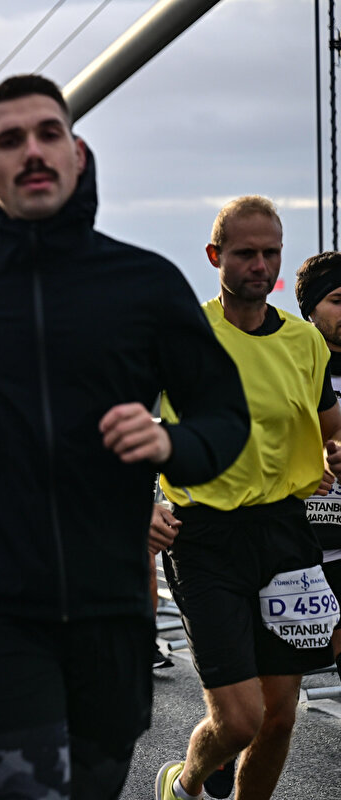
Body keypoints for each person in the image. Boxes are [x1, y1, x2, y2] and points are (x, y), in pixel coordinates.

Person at [0, 76, 251, 800]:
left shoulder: (146, 285)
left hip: (112, 604)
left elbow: (225, 418)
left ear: (77, 152)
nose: (31, 151)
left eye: (48, 134)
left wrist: (169, 444)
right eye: (10, 140)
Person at [154, 197, 341, 800]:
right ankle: (183, 786)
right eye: (245, 253)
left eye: (270, 253)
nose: (260, 265)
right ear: (216, 257)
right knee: (240, 719)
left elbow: (327, 420)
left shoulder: (305, 342)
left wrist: (329, 451)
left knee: (281, 714)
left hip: (286, 533)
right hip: (204, 535)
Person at [295, 249, 341, 679]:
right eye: (339, 301)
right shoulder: (287, 363)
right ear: (310, 308)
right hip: (291, 545)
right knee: (273, 713)